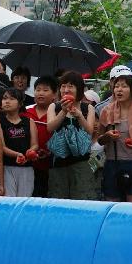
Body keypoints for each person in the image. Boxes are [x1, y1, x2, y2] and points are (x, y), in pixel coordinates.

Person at [98, 75, 132, 203]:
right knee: (112, 205)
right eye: (116, 86)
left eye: (124, 86)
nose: (119, 90)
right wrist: (107, 136)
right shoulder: (106, 111)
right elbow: (99, 140)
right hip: (112, 163)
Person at [46, 71, 96, 200]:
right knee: (59, 199)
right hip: (58, 162)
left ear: (78, 89)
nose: (66, 90)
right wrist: (63, 111)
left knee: (82, 198)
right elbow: (50, 127)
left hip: (81, 162)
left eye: (70, 86)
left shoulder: (88, 108)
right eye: (63, 86)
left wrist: (79, 115)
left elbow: (90, 131)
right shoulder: (54, 106)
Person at [0, 88, 39, 197]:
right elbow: (2, 147)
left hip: (27, 168)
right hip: (7, 167)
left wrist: (31, 151)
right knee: (9, 202)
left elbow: (35, 144)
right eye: (4, 98)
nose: (6, 101)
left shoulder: (29, 121)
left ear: (20, 103)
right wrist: (17, 154)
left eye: (11, 99)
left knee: (24, 202)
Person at [22, 75, 57, 197]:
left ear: (54, 95)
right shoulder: (25, 111)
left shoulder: (58, 114)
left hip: (51, 166)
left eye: (45, 90)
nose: (40, 93)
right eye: (38, 89)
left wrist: (49, 152)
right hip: (27, 165)